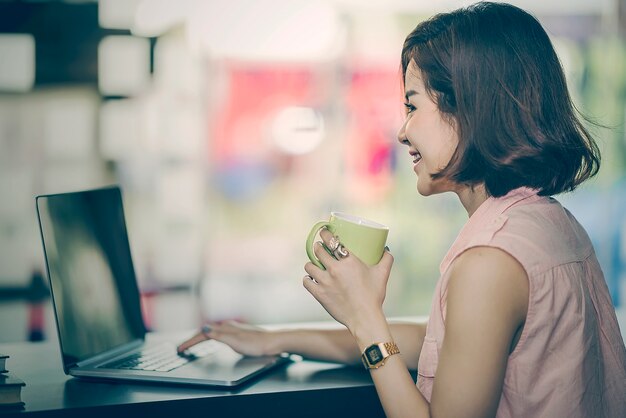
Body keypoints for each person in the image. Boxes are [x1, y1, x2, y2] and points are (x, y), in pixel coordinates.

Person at [178, 2, 626, 417]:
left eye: (412, 106)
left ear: (468, 111)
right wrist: (275, 339)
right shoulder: (545, 222)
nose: (402, 132)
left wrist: (363, 314)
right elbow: (440, 343)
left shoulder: (490, 263)